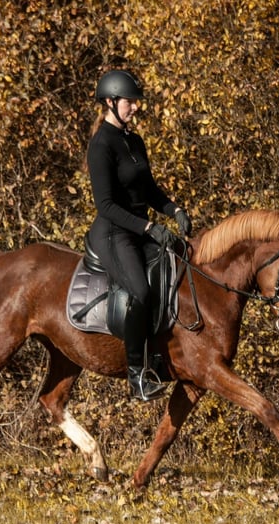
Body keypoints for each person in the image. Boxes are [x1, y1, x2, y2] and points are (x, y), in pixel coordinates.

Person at [84, 70, 192, 402]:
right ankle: (137, 375)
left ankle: (161, 357)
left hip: (138, 227)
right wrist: (148, 227)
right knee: (142, 291)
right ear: (110, 102)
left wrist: (174, 210)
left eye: (135, 102)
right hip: (114, 234)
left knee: (175, 268)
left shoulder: (134, 140)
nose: (136, 108)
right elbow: (105, 205)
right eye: (130, 102)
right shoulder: (101, 145)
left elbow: (148, 190)